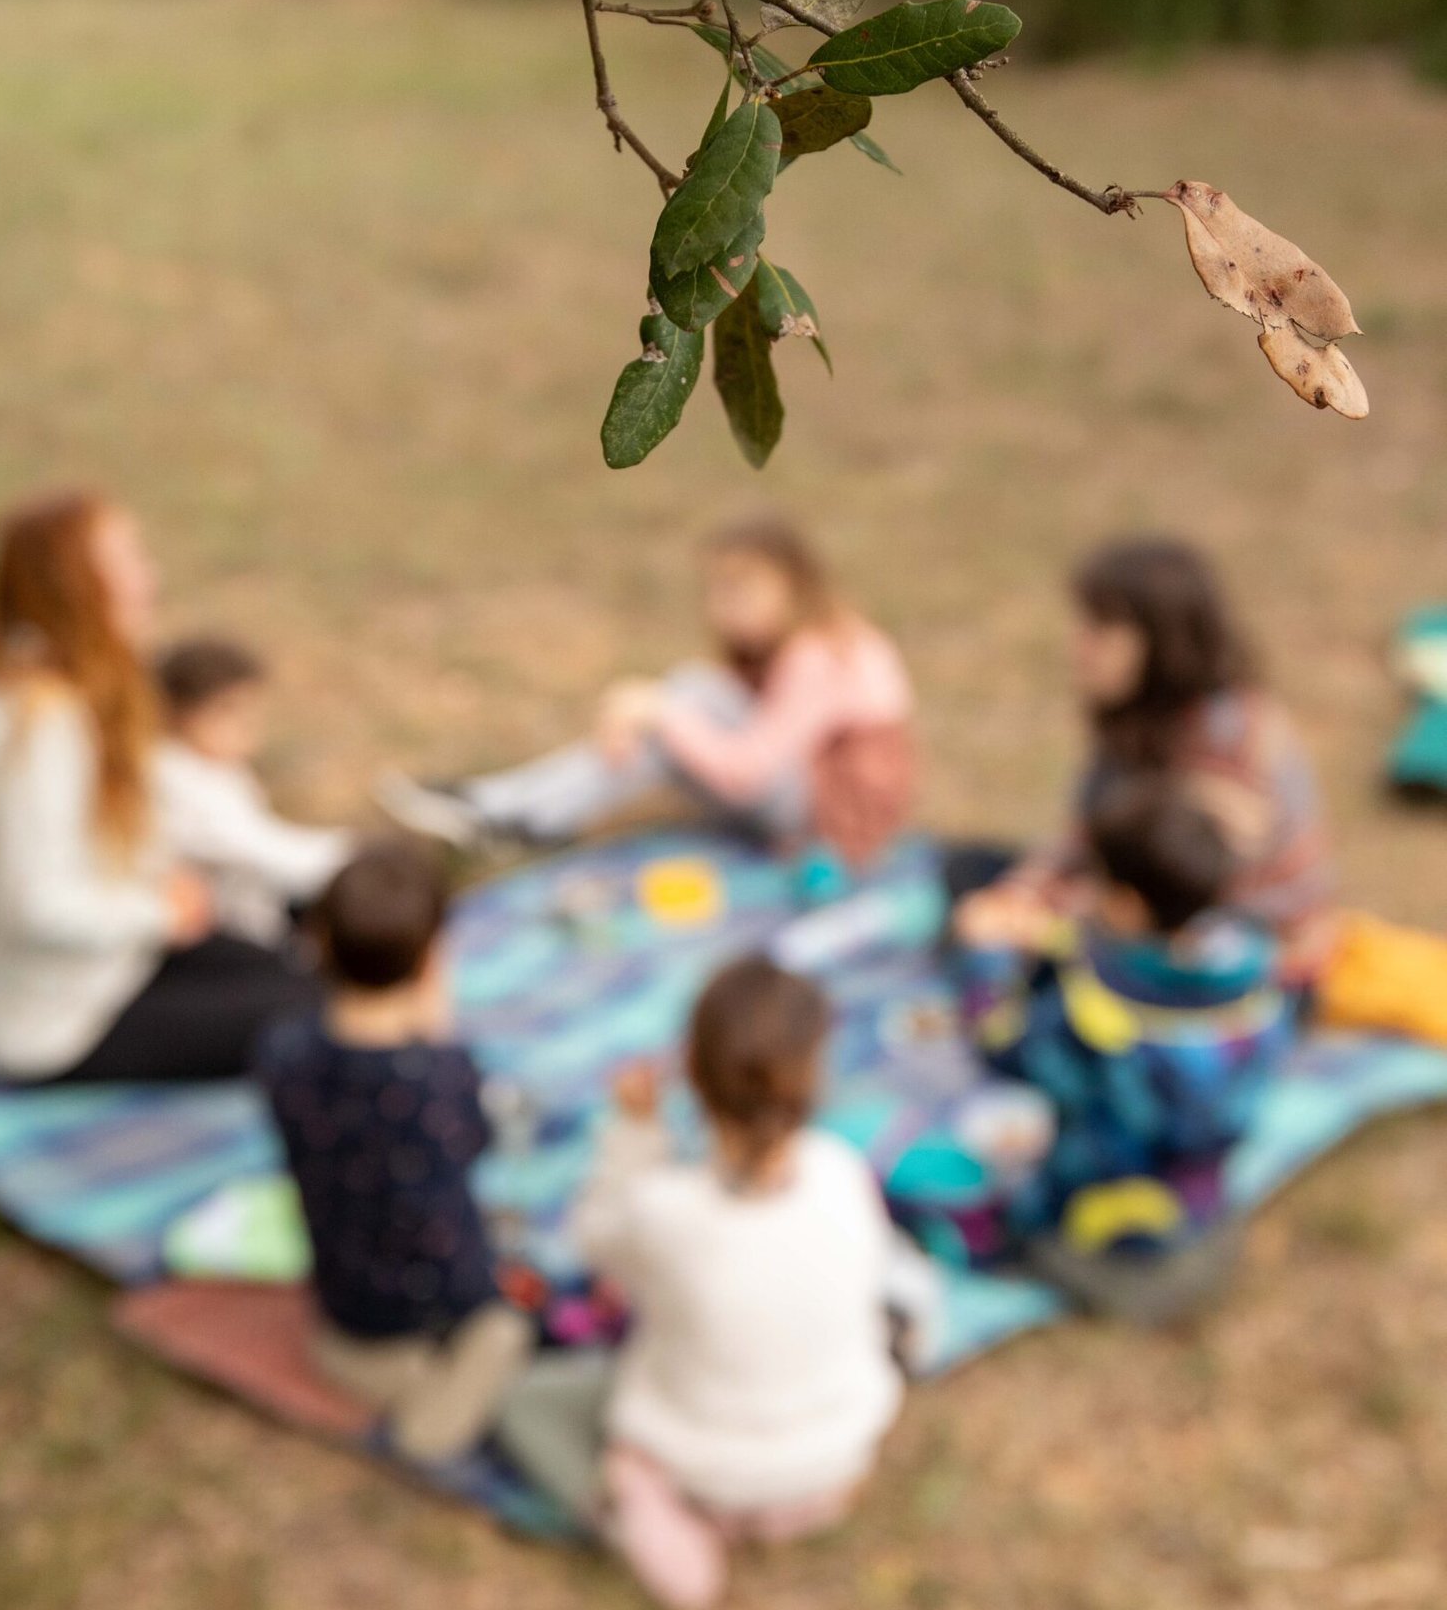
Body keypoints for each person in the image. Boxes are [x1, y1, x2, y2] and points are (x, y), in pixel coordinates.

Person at [496, 956, 909, 1610]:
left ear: (691, 1072)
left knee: (523, 1401)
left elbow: (594, 1236)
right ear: (814, 1077)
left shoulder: (664, 1212)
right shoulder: (843, 1173)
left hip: (703, 1471)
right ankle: (764, 1511)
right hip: (836, 1460)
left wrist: (634, 1131)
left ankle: (626, 1511)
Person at [0, 491, 319, 1083]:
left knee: (313, 975)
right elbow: (35, 906)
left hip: (108, 969)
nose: (148, 578)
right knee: (318, 1011)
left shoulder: (55, 690)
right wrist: (158, 911)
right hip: (51, 1028)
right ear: (73, 586)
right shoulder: (37, 724)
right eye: (127, 561)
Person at [382, 515, 916, 872]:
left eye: (741, 589)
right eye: (717, 590)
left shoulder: (817, 655)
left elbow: (747, 771)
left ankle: (513, 817)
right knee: (690, 690)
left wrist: (658, 713)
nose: (723, 607)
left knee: (674, 716)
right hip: (805, 790)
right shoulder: (799, 641)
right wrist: (651, 710)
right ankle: (504, 808)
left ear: (794, 584)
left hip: (826, 828)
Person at [952, 773, 1295, 1324]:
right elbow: (1148, 964)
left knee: (982, 1204)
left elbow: (1001, 1043)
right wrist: (1062, 938)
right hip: (1204, 1197)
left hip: (1112, 1225)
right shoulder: (1255, 968)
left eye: (1096, 883)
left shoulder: (1093, 1022)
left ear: (1130, 905)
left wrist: (985, 959)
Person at [256, 839, 533, 1461]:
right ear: (433, 959)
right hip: (435, 1301)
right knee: (506, 1325)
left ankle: (391, 1375)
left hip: (343, 1301)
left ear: (319, 944)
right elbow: (475, 1143)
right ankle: (433, 1409)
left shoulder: (282, 1053)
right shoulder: (437, 1077)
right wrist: (439, 1037)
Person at [964, 536, 1336, 987]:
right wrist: (1019, 894)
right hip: (1145, 917)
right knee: (966, 871)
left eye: (1099, 631)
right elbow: (1087, 837)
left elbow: (1178, 906)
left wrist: (1040, 921)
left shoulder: (1226, 746)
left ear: (1160, 642)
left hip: (1240, 962)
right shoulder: (1141, 721)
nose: (1077, 647)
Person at [153, 635, 351, 946]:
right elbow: (268, 853)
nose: (247, 726)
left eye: (252, 712)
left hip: (255, 910)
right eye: (229, 711)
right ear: (180, 713)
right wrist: (356, 856)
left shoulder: (219, 770)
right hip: (216, 935)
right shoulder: (175, 782)